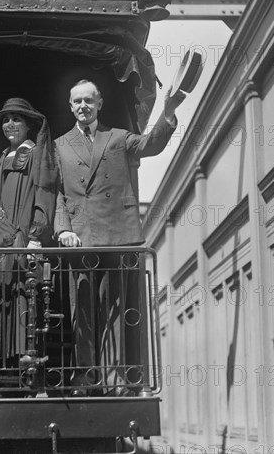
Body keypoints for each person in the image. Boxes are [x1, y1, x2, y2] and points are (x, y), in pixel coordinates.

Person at [54, 79, 185, 396]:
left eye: (88, 100)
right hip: (80, 238)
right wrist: (63, 229)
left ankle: (114, 378)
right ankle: (84, 376)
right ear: (70, 107)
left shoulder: (118, 138)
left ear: (99, 103)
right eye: (76, 102)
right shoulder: (59, 145)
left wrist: (167, 112)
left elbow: (151, 144)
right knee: (81, 310)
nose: (82, 106)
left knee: (114, 309)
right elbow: (55, 192)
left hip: (116, 235)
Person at [0, 98, 57, 379]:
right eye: (6, 119)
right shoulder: (1, 157)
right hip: (0, 244)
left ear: (29, 125)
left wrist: (36, 235)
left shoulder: (36, 154)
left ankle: (25, 376)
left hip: (22, 240)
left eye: (17, 119)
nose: (10, 124)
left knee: (24, 302)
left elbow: (45, 193)